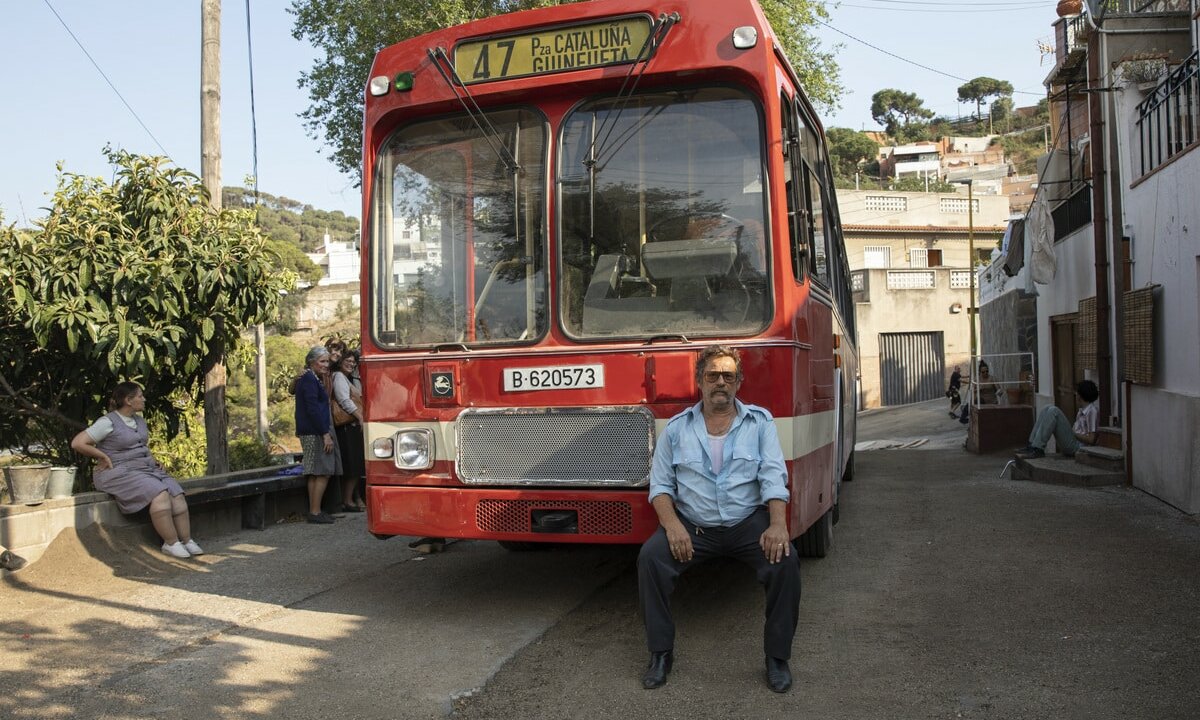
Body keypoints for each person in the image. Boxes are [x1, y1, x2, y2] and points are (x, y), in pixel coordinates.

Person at [637, 345, 800, 693]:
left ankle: (777, 658)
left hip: (746, 524)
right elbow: (661, 486)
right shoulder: (677, 428)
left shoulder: (760, 423)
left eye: (728, 376)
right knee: (651, 558)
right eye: (712, 375)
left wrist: (777, 525)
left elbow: (773, 477)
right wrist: (673, 525)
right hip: (694, 527)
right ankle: (661, 654)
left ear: (739, 382)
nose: (720, 382)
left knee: (785, 560)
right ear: (699, 381)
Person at [71, 382, 204, 559]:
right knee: (160, 493)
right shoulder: (107, 422)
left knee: (176, 493)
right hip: (116, 472)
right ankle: (171, 543)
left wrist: (153, 461)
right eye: (140, 396)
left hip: (143, 469)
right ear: (128, 400)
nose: (144, 399)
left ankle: (187, 540)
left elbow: (139, 446)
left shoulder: (139, 420)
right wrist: (102, 456)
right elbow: (78, 443)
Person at [296, 346, 342, 524]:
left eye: (326, 361)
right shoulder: (309, 379)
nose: (326, 365)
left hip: (312, 430)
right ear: (311, 362)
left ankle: (315, 510)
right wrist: (325, 434)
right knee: (322, 471)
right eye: (322, 361)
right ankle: (315, 511)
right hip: (315, 431)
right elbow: (313, 408)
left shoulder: (312, 378)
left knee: (316, 472)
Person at [1015, 380, 1100, 459]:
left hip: (1078, 447)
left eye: (1077, 393)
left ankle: (1038, 449)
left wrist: (1074, 433)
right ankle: (1032, 445)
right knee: (1047, 407)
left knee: (1054, 411)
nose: (1076, 395)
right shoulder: (1082, 410)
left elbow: (1091, 440)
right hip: (1073, 441)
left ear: (1080, 395)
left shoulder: (1092, 411)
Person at [332, 350, 366, 512]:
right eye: (348, 361)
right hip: (347, 426)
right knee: (352, 465)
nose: (351, 364)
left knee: (355, 465)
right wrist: (360, 416)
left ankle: (350, 499)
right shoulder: (339, 377)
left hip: (352, 425)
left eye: (353, 362)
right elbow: (344, 400)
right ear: (341, 362)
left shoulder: (350, 379)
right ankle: (347, 500)